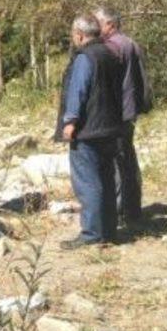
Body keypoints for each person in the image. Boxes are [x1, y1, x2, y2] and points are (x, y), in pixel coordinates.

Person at [55, 13, 124, 248]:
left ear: (80, 34)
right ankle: (109, 232)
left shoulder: (85, 58)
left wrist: (70, 121)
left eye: (74, 34)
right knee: (106, 179)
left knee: (87, 182)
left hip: (88, 129)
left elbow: (79, 91)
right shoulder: (112, 54)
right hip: (111, 127)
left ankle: (92, 234)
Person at [95, 5, 152, 227]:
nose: (96, 27)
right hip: (130, 111)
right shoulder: (131, 44)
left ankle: (120, 212)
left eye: (98, 22)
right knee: (128, 158)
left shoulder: (112, 47)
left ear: (110, 24)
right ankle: (132, 209)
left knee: (116, 161)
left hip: (117, 112)